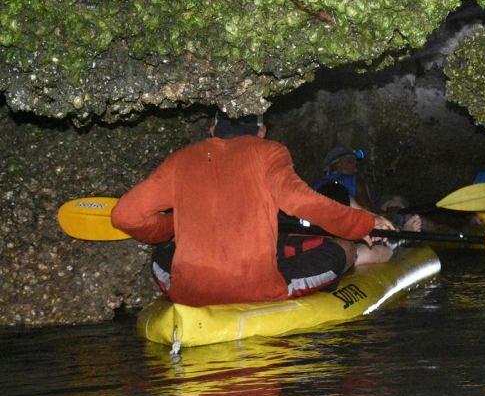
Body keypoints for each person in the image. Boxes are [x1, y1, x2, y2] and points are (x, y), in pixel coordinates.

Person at [111, 114, 396, 307]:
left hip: (189, 293)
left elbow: (125, 215)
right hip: (256, 291)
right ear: (261, 131)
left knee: (161, 255)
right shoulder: (269, 152)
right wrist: (363, 225)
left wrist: (174, 227)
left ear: (212, 130)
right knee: (343, 249)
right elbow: (300, 201)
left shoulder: (181, 159)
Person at [313, 147, 379, 213]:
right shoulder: (354, 180)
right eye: (349, 162)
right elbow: (367, 209)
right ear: (336, 165)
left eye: (355, 162)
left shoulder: (315, 186)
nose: (354, 165)